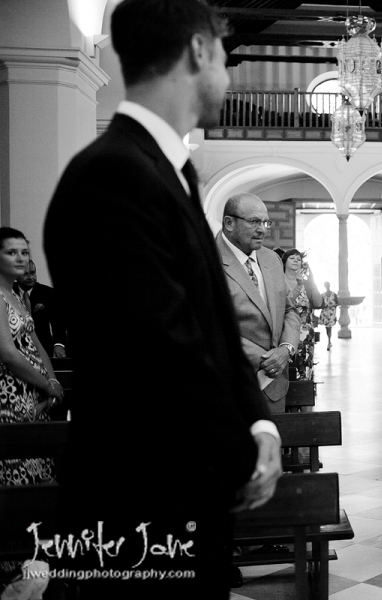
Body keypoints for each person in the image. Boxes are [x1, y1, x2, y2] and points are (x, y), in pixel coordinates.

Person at [43, 1, 281, 596]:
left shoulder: (170, 170)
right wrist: (241, 456)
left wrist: (262, 425)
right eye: (224, 56)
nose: (226, 74)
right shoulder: (111, 176)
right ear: (199, 50)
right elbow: (160, 348)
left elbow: (215, 328)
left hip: (181, 492)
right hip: (138, 505)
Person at [0, 229, 63, 598]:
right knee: (16, 477)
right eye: (12, 253)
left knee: (37, 474)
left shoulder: (18, 294)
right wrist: (45, 382)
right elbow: (7, 353)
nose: (22, 259)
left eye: (24, 252)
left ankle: (33, 560)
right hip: (7, 399)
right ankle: (12, 565)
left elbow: (35, 340)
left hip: (31, 397)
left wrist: (52, 381)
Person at [218, 194, 304, 412]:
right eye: (254, 221)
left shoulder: (271, 259)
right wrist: (267, 359)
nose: (263, 229)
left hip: (274, 387)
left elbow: (289, 310)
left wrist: (286, 349)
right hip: (228, 386)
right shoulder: (205, 259)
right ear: (229, 223)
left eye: (265, 222)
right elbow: (207, 325)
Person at [282, 248, 322, 378]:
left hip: (305, 335)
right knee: (286, 370)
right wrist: (298, 286)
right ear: (284, 262)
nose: (296, 260)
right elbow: (285, 304)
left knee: (304, 370)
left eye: (298, 259)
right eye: (292, 258)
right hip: (285, 332)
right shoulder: (279, 282)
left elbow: (318, 302)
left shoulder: (306, 284)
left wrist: (311, 279)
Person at [16, 261, 67, 358]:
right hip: (16, 349)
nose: (31, 277)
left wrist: (59, 344)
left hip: (43, 348)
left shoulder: (48, 293)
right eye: (25, 274)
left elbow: (58, 322)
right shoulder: (8, 292)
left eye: (33, 273)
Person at [319, 281, 338, 351]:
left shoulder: (334, 294)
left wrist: (332, 305)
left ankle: (329, 341)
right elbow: (320, 304)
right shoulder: (322, 295)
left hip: (331, 313)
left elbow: (337, 303)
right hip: (325, 313)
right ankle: (329, 341)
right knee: (327, 328)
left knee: (329, 328)